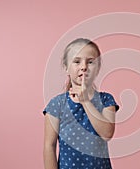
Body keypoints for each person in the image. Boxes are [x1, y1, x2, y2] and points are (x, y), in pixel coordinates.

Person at [43, 38, 119, 169]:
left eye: (90, 62)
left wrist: (85, 101)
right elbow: (49, 146)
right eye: (77, 62)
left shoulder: (106, 100)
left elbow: (107, 134)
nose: (84, 67)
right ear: (66, 67)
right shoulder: (57, 104)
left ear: (98, 68)